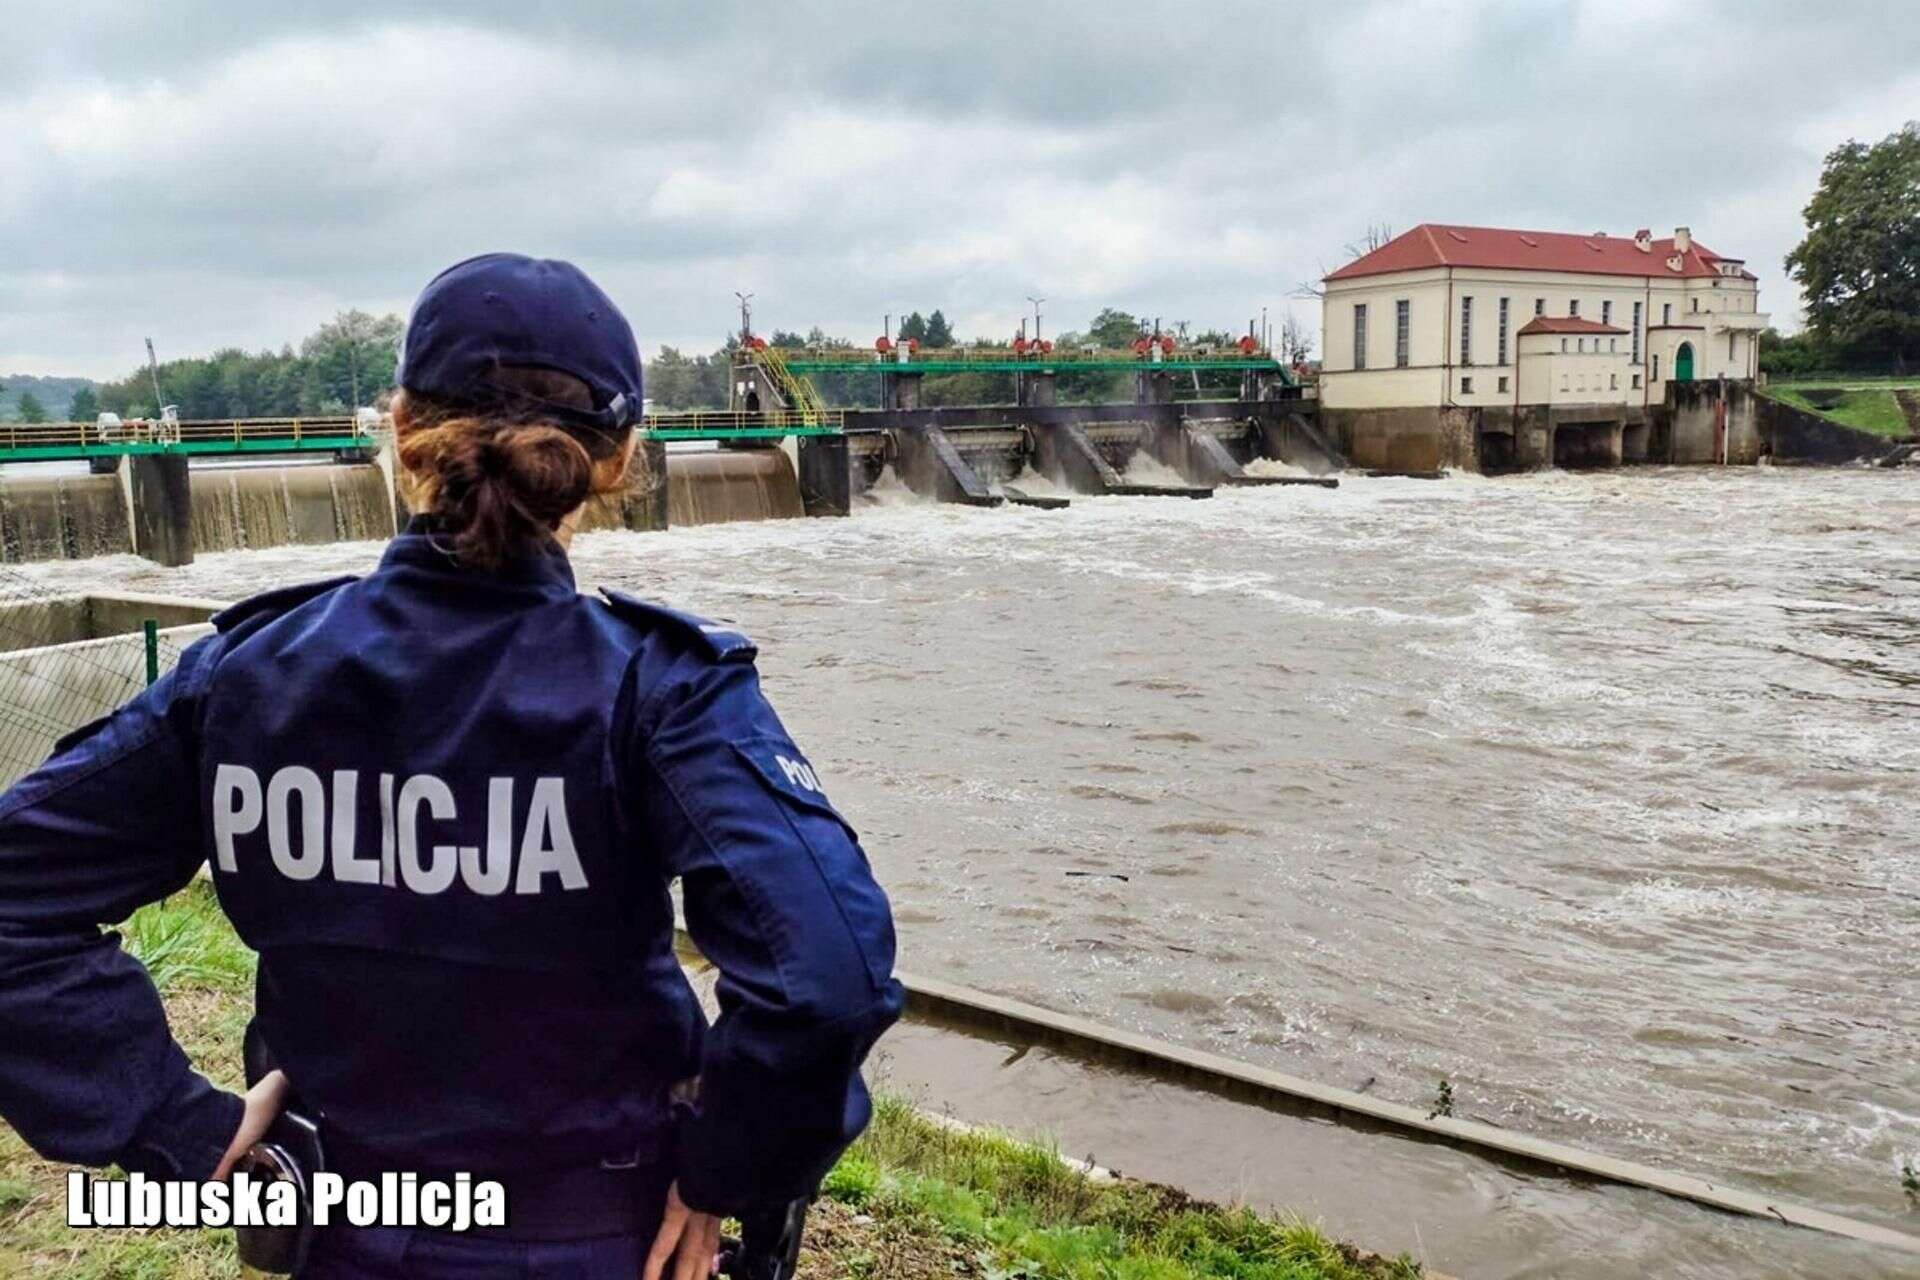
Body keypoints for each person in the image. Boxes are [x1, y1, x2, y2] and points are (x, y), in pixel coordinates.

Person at [0, 254, 903, 1278]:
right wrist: (722, 1171)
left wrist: (180, 1129)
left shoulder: (249, 676)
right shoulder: (659, 691)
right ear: (617, 461)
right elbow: (826, 976)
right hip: (604, 1238)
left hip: (338, 1228)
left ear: (400, 432)